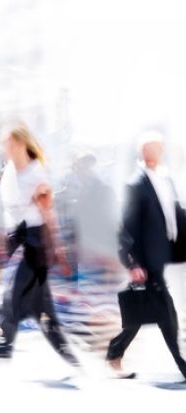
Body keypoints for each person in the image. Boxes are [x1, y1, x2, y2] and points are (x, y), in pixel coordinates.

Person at [0, 124, 78, 366]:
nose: (4, 148)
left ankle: (2, 342)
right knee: (42, 307)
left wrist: (59, 250)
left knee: (11, 287)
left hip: (34, 241)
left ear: (20, 144)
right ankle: (70, 356)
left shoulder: (37, 173)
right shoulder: (7, 171)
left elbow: (49, 213)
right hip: (14, 239)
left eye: (7, 143)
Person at [106, 131, 186, 380]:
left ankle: (114, 353)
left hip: (161, 253)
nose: (152, 152)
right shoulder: (135, 184)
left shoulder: (165, 178)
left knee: (141, 308)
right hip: (146, 258)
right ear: (142, 152)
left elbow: (175, 214)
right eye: (148, 148)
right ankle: (182, 364)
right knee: (166, 311)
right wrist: (132, 262)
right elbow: (125, 227)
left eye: (156, 147)